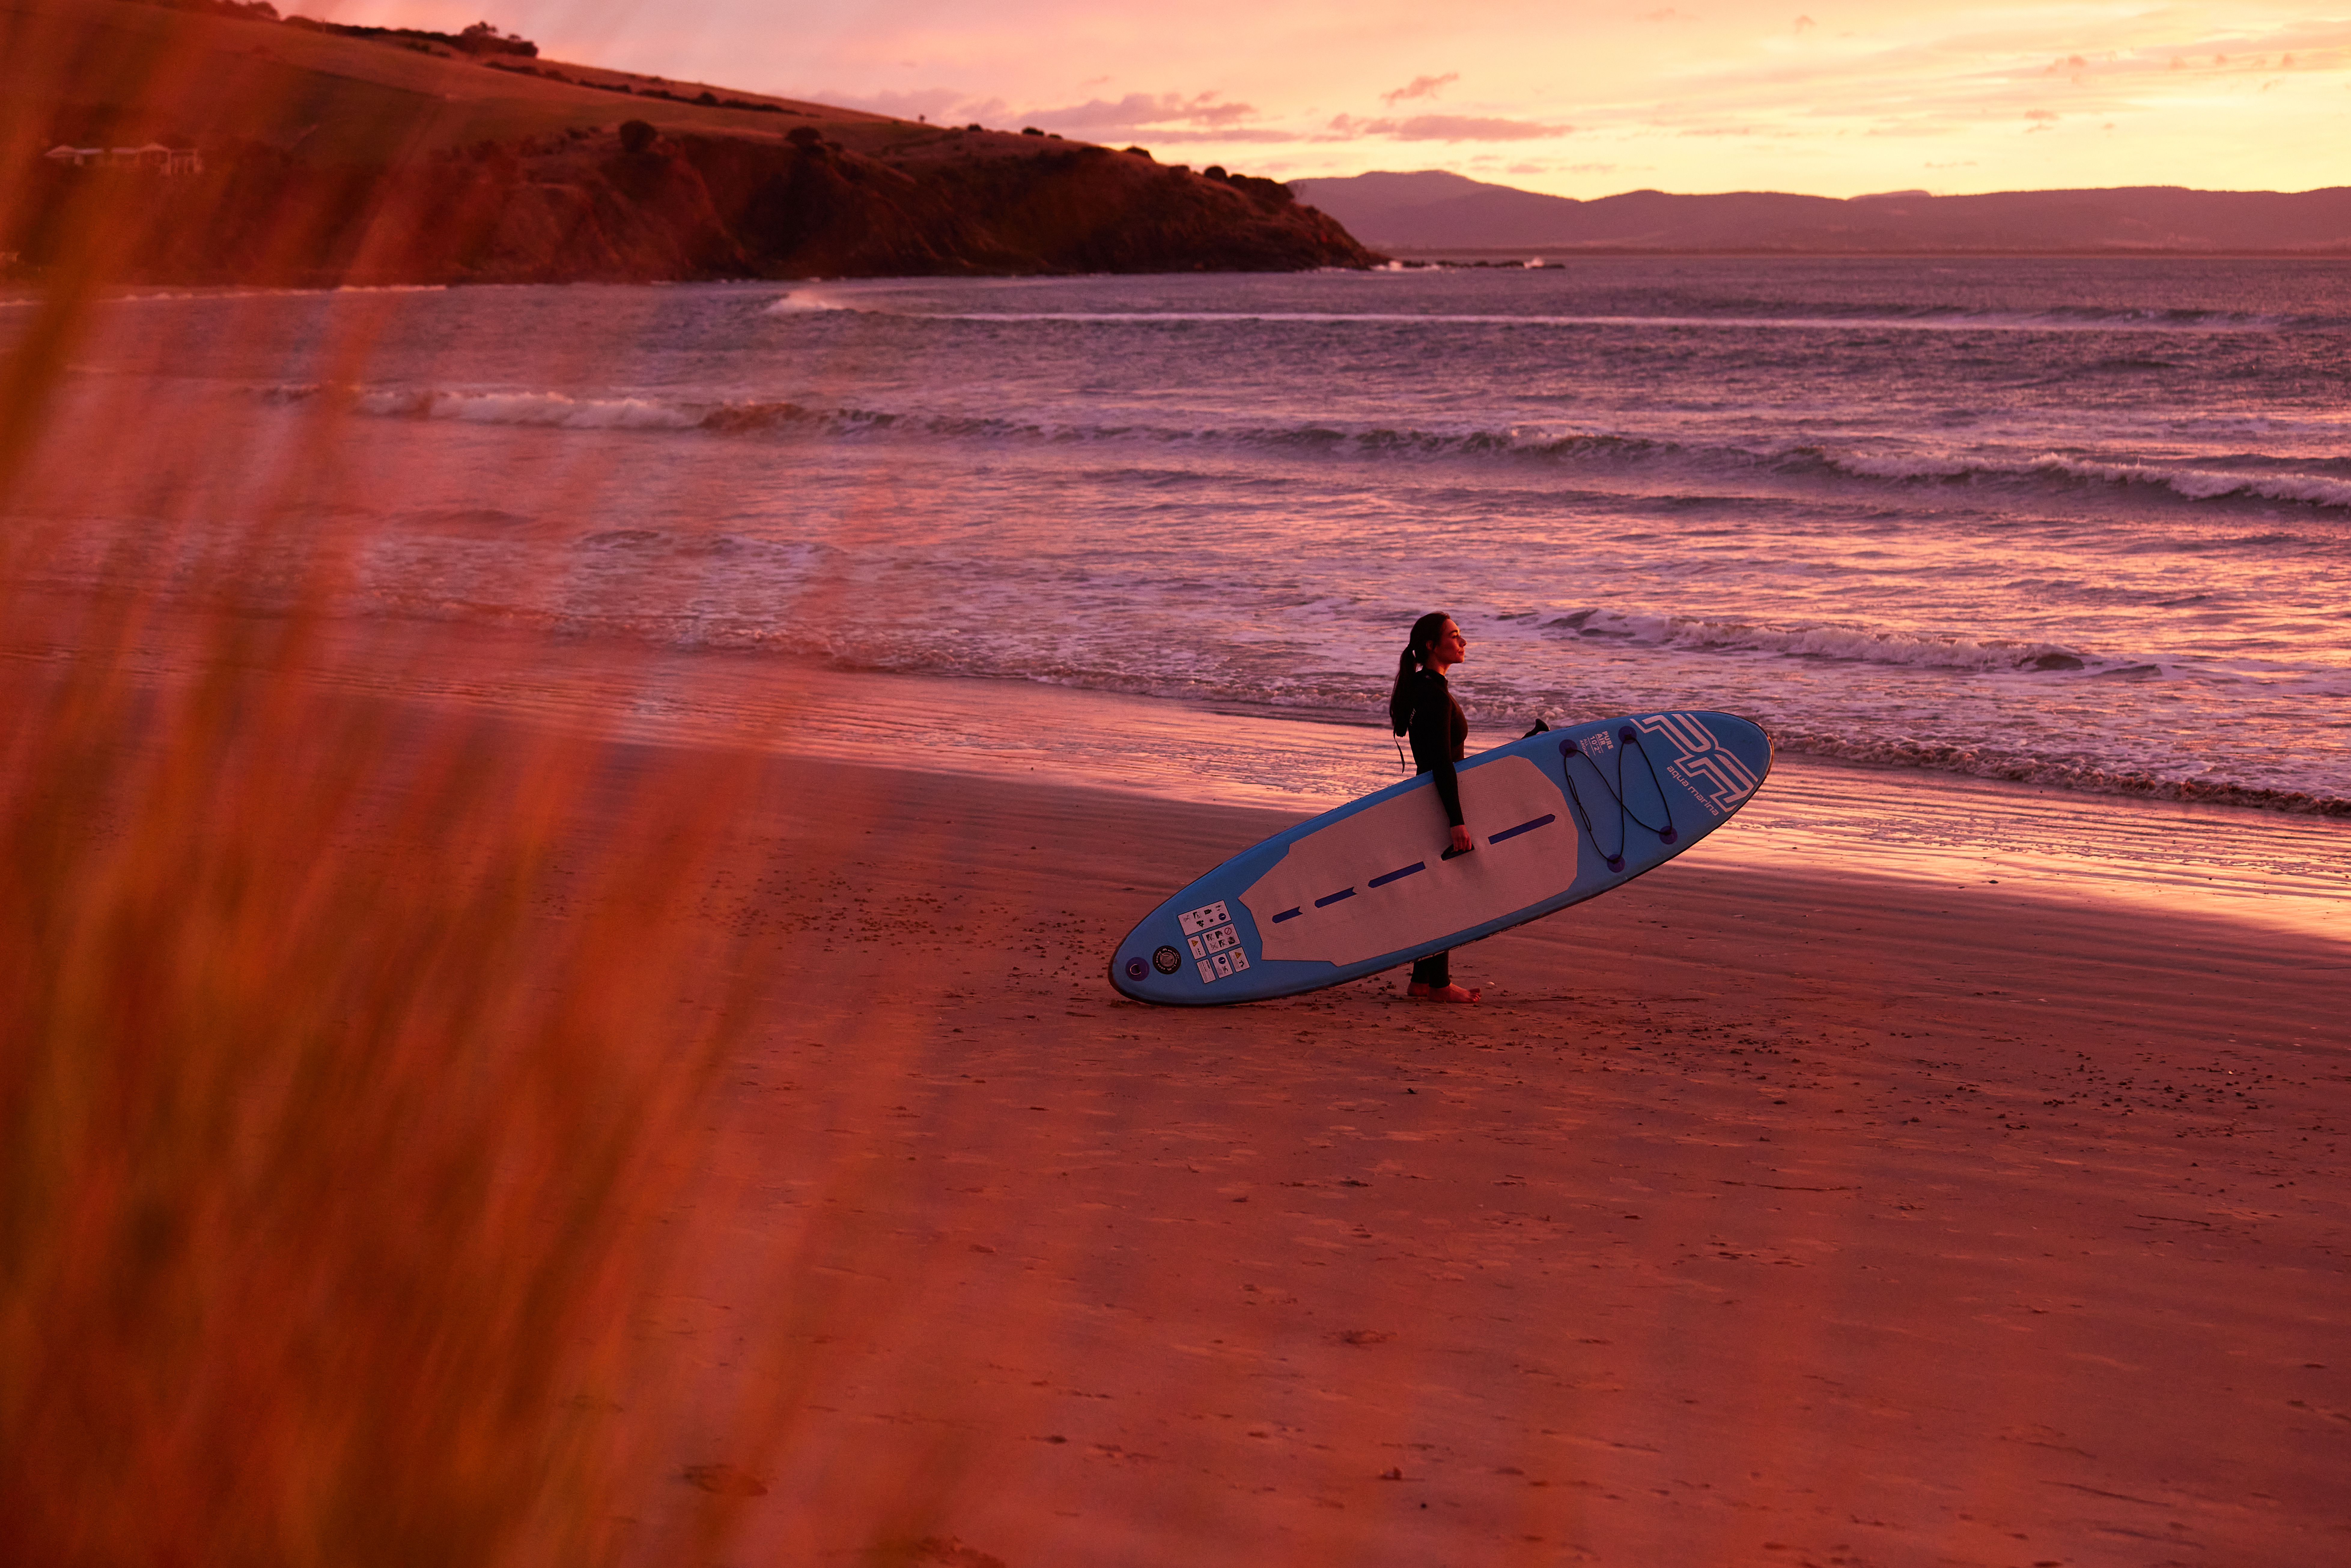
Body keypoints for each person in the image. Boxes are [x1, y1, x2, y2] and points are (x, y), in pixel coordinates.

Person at [1386, 612, 1480, 1003]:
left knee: (1438, 890)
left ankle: (1423, 981)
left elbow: (1442, 760)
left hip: (1425, 800)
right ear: (1431, 645)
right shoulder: (1433, 694)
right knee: (1444, 894)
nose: (1462, 643)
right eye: (1454, 636)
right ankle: (1437, 985)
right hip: (1435, 804)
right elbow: (1441, 764)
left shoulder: (1426, 689)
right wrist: (1455, 822)